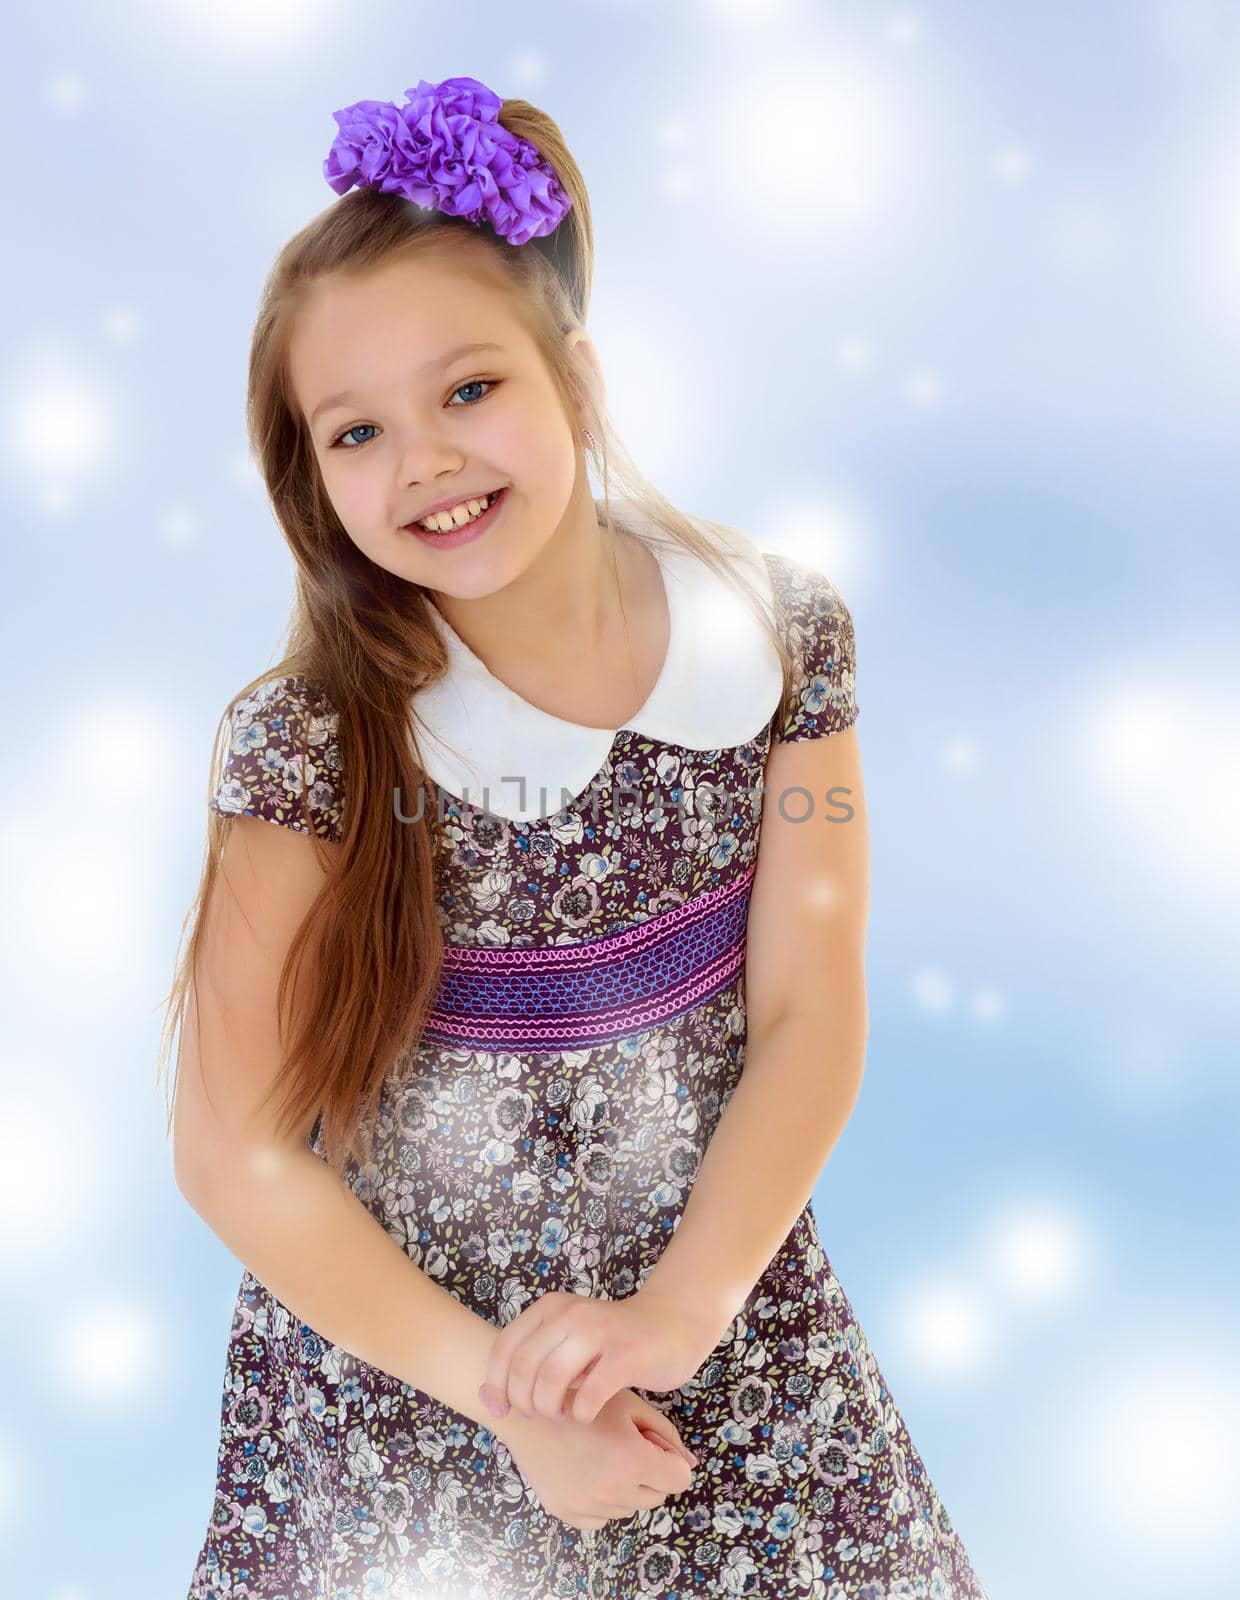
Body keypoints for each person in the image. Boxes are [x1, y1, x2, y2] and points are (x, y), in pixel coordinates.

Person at [162, 75, 989, 1600]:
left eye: (468, 390)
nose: (423, 462)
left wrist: (679, 1315)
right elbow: (233, 1150)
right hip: (409, 1382)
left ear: (578, 383)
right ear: (310, 475)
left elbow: (808, 1010)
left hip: (720, 1331)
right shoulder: (310, 749)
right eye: (356, 431)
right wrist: (507, 1395)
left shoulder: (782, 639)